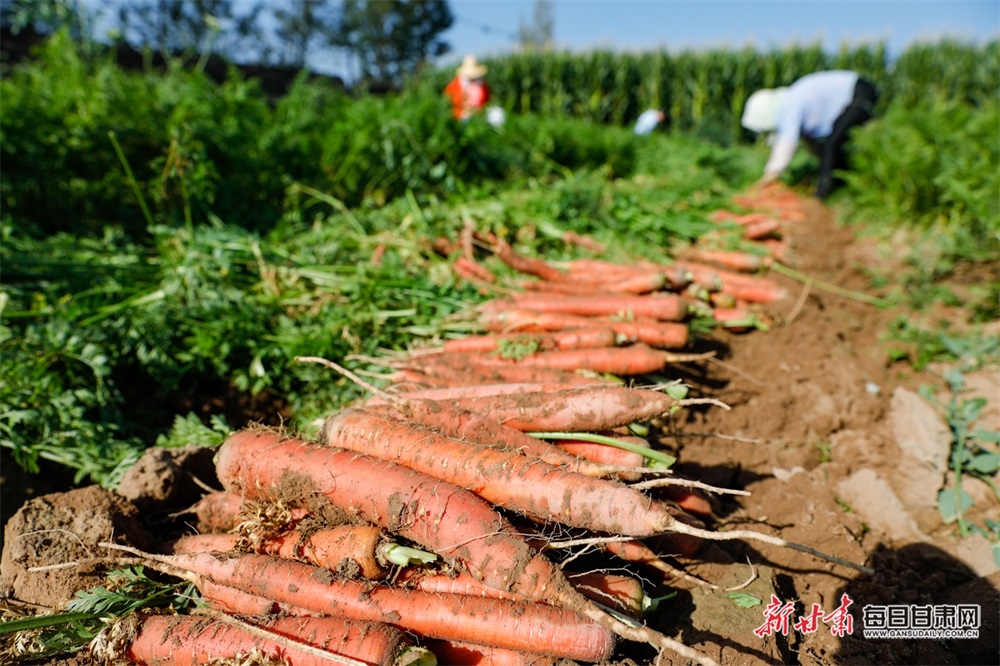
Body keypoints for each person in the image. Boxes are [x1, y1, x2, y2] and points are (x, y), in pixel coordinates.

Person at [741, 70, 878, 199]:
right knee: (831, 147)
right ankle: (841, 184)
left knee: (832, 144)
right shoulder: (793, 101)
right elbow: (811, 142)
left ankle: (823, 195)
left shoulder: (789, 106)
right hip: (858, 90)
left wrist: (770, 174)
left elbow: (786, 144)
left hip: (859, 91)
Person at [444, 54, 491, 121]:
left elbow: (487, 99)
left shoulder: (482, 84)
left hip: (479, 114)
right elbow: (446, 98)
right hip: (462, 116)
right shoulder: (456, 84)